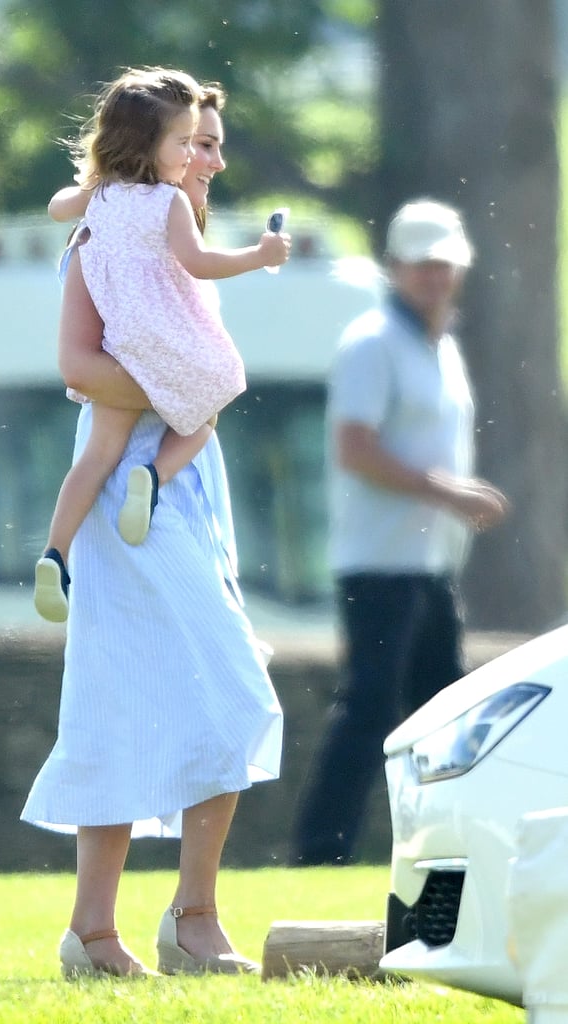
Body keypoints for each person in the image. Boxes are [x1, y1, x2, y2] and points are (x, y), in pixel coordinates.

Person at [21, 79, 284, 978]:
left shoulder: (170, 233)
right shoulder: (109, 228)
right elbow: (78, 366)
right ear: (152, 147)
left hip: (184, 485)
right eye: (196, 142)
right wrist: (182, 391)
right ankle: (181, 921)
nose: (211, 159)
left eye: (214, 143)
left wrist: (187, 398)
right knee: (227, 688)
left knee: (132, 694)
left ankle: (106, 934)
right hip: (124, 499)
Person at [289, 198, 510, 867]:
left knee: (445, 709)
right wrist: (448, 491)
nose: (433, 277)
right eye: (420, 266)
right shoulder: (372, 342)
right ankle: (318, 852)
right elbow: (354, 448)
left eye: (443, 265)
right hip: (379, 562)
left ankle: (456, 845)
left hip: (427, 562)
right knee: (370, 710)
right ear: (395, 268)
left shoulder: (439, 345)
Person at [32, 67, 290, 623]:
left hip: (119, 347)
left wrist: (85, 188)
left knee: (94, 456)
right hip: (163, 345)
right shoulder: (166, 202)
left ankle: (56, 551)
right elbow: (200, 263)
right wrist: (259, 255)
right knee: (208, 406)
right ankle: (151, 478)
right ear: (151, 145)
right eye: (183, 142)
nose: (190, 157)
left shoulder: (100, 197)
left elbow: (56, 208)